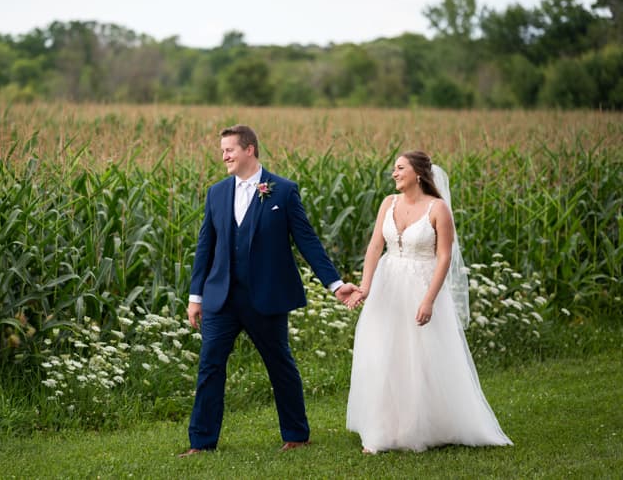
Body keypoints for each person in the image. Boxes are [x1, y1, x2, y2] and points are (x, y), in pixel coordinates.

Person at [179, 124, 357, 457]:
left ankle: (296, 435)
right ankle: (201, 443)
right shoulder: (216, 193)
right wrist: (195, 297)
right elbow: (206, 245)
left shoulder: (283, 191)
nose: (224, 157)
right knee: (210, 366)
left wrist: (335, 284)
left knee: (280, 365)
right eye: (222, 151)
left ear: (250, 149)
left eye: (229, 150)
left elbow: (308, 241)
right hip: (222, 297)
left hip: (266, 298)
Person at [344, 151, 512, 454]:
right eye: (394, 168)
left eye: (400, 168)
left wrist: (429, 300)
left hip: (421, 284)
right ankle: (381, 429)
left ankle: (423, 425)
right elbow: (375, 246)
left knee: (419, 355)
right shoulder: (388, 203)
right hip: (388, 283)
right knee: (383, 351)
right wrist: (365, 287)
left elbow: (444, 256)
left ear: (418, 173)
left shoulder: (438, 208)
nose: (394, 173)